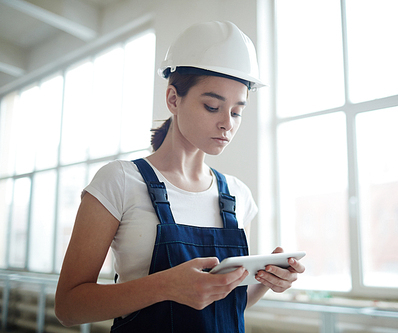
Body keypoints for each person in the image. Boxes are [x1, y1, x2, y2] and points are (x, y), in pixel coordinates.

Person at [55, 21, 305, 332]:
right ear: (173, 99)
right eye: (212, 106)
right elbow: (68, 307)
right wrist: (165, 286)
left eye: (237, 111)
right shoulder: (119, 181)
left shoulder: (239, 196)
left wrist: (268, 281)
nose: (227, 124)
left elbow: (226, 303)